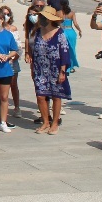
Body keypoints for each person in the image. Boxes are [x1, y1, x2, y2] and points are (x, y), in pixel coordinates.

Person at [30, 7, 71, 135]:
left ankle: (54, 123)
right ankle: (45, 121)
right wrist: (32, 67)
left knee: (56, 96)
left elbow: (64, 52)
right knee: (41, 96)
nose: (40, 19)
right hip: (40, 69)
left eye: (43, 17)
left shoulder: (59, 33)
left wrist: (62, 71)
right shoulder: (37, 32)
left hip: (55, 69)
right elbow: (33, 51)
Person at [59, 0, 82, 71]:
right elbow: (75, 23)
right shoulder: (72, 13)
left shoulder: (58, 13)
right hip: (70, 31)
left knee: (62, 50)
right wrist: (79, 30)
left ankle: (63, 65)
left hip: (62, 31)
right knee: (72, 49)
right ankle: (71, 66)